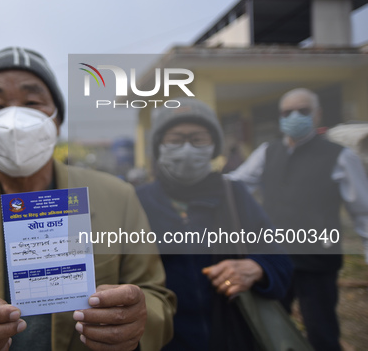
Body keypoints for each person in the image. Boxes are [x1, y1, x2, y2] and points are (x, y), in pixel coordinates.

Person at [0, 47, 176, 351]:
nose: (13, 121)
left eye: (33, 102)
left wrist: (136, 323)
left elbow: (157, 298)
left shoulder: (118, 197)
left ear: (56, 122)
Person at [136, 98, 293, 351]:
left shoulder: (235, 195)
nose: (187, 148)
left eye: (198, 139)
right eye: (175, 139)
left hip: (232, 338)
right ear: (158, 146)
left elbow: (280, 261)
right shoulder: (136, 202)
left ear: (213, 146)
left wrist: (256, 268)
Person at [229, 88, 368, 351]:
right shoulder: (267, 152)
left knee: (322, 332)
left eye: (302, 111)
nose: (294, 117)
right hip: (274, 260)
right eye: (287, 112)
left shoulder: (339, 156)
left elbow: (363, 211)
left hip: (317, 262)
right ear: (280, 117)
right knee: (268, 327)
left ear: (317, 115)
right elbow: (237, 183)